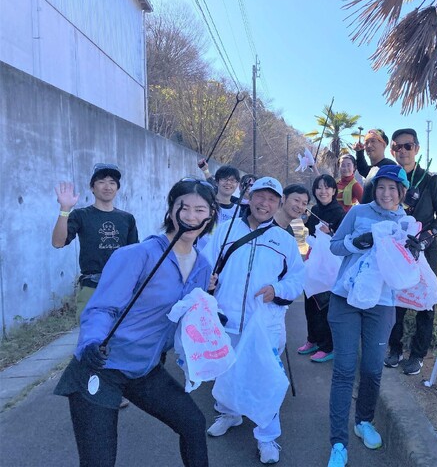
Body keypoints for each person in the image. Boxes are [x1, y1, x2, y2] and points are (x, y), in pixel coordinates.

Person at [54, 178, 218, 467]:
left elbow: (189, 317)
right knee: (98, 462)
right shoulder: (137, 255)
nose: (192, 216)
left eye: (200, 210)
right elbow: (102, 307)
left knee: (193, 424)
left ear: (211, 215)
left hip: (145, 368)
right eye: (184, 208)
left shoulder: (203, 266)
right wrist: (92, 341)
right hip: (101, 365)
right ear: (171, 211)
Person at [200, 177, 305, 465]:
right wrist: (206, 281)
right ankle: (229, 413)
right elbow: (205, 263)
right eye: (260, 196)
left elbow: (297, 279)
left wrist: (277, 290)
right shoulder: (225, 230)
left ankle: (267, 436)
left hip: (263, 324)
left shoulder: (285, 240)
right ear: (249, 197)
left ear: (279, 203)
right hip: (226, 318)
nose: (264, 203)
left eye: (272, 199)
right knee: (225, 371)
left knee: (264, 379)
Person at [326, 165, 412, 467]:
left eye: (393, 188)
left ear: (401, 192)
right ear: (374, 188)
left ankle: (363, 421)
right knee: (344, 369)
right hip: (345, 298)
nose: (386, 194)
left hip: (383, 302)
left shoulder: (405, 222)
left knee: (373, 368)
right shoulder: (358, 212)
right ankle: (338, 443)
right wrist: (355, 242)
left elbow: (407, 267)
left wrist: (414, 252)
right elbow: (335, 246)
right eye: (381, 187)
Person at [384, 129, 437, 375]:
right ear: (392, 151)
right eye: (397, 147)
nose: (402, 151)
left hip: (425, 248)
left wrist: (430, 234)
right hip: (399, 249)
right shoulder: (391, 182)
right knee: (395, 298)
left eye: (407, 146)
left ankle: (418, 355)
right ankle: (395, 349)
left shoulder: (430, 181)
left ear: (417, 148)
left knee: (426, 301)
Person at [52, 163, 139, 322]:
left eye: (112, 183)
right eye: (101, 182)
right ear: (92, 187)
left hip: (121, 287)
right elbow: (58, 242)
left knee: (122, 332)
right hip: (92, 287)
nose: (107, 187)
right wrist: (65, 209)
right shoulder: (81, 215)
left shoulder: (127, 218)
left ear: (117, 188)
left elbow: (134, 256)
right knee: (90, 332)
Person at [299, 175, 346, 363]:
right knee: (310, 302)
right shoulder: (316, 210)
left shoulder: (339, 213)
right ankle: (313, 339)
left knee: (325, 306)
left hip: (330, 268)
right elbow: (311, 233)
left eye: (327, 187)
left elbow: (344, 239)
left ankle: (328, 346)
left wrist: (331, 232)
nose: (323, 191)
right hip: (313, 263)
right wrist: (305, 220)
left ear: (334, 191)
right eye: (319, 188)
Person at [352, 128, 395, 203]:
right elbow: (363, 169)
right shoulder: (374, 169)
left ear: (384, 144)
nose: (369, 145)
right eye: (366, 142)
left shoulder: (390, 167)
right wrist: (359, 152)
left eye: (373, 141)